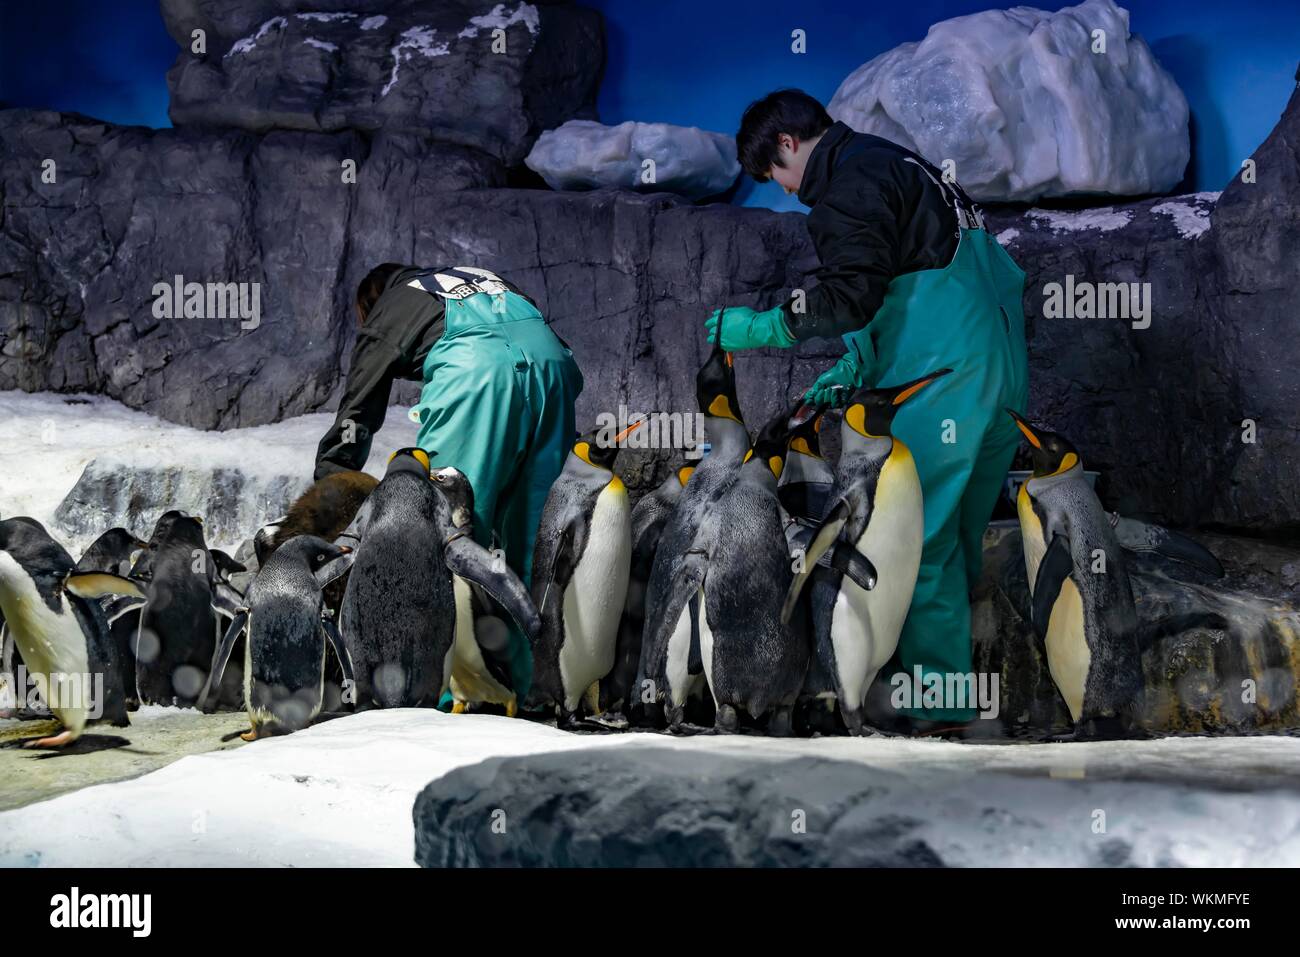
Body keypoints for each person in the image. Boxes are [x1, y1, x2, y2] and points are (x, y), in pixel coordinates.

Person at [707, 89, 1029, 730]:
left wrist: (758, 327)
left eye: (774, 172)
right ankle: (954, 695)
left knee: (919, 543)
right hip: (997, 376)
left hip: (939, 379)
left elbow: (850, 294)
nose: (783, 189)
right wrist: (856, 368)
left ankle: (938, 711)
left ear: (788, 143)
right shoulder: (903, 165)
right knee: (957, 540)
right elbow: (906, 275)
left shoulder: (846, 183)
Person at [314, 263, 583, 702]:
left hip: (475, 378)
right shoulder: (485, 277)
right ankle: (536, 686)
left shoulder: (393, 303)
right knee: (536, 541)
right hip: (553, 371)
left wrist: (331, 486)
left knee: (445, 532)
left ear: (371, 301)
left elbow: (358, 412)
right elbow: (549, 344)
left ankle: (446, 692)